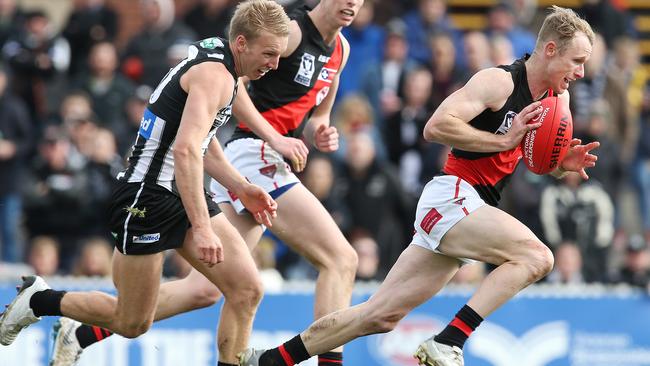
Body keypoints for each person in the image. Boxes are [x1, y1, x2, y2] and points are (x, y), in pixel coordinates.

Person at [238, 6, 600, 366]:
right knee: (537, 257)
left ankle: (270, 361)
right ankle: (450, 341)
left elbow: (532, 156)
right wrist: (503, 143)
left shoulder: (558, 100)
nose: (581, 72)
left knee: (379, 316)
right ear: (550, 50)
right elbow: (436, 127)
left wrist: (559, 165)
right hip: (453, 195)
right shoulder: (500, 82)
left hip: (471, 206)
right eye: (577, 60)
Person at [49, 1, 361, 366]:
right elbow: (231, 85)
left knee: (210, 290)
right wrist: (272, 136)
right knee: (341, 259)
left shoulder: (341, 48)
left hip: (232, 163)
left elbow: (316, 111)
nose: (353, 3)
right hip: (251, 152)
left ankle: (81, 331)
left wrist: (320, 128)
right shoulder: (287, 32)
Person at [0, 3, 289, 366]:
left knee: (246, 289)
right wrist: (201, 227)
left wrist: (241, 186)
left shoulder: (219, 54)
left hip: (179, 190)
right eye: (269, 54)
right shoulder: (216, 77)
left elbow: (198, 140)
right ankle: (38, 301)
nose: (274, 64)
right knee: (131, 321)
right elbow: (185, 151)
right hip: (146, 197)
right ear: (242, 43)